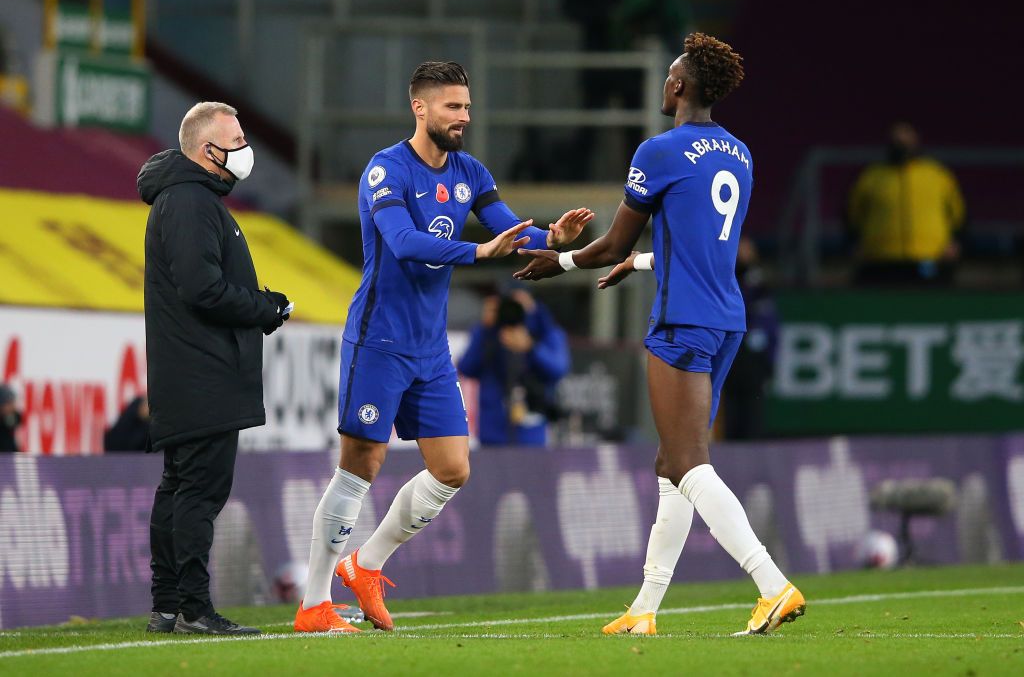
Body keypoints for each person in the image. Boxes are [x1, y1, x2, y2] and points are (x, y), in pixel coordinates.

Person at [514, 32, 805, 636]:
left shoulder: (659, 151)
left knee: (689, 463)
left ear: (678, 87)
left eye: (669, 74)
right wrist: (647, 263)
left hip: (681, 323)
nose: (664, 82)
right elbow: (707, 248)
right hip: (725, 318)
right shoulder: (740, 154)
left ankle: (772, 584)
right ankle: (645, 608)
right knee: (671, 466)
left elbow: (614, 241)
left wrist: (560, 261)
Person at [293, 61, 592, 634]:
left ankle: (366, 564)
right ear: (420, 108)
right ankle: (313, 604)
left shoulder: (470, 172)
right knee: (362, 465)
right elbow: (404, 244)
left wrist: (550, 238)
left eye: (468, 107)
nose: (464, 117)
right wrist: (480, 254)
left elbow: (507, 226)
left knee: (453, 468)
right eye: (453, 107)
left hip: (429, 349)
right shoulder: (386, 171)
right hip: (379, 339)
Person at [138, 101, 291, 635]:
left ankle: (168, 604)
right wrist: (265, 308)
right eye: (237, 138)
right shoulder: (190, 200)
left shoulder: (188, 198)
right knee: (198, 492)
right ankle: (194, 608)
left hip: (190, 370)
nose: (246, 148)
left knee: (180, 488)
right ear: (208, 150)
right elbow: (201, 288)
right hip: (202, 371)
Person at [847, 122, 965, 286]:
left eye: (906, 139)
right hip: (881, 260)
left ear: (916, 141)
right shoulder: (872, 177)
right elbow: (851, 215)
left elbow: (959, 214)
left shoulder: (936, 175)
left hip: (930, 258)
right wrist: (854, 244)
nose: (901, 145)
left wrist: (956, 242)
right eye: (896, 140)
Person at [457, 285, 570, 447]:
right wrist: (485, 330)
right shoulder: (488, 332)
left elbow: (558, 370)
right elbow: (467, 368)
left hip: (532, 431)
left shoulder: (546, 331)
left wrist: (531, 348)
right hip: (492, 432)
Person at [721, 236, 779, 440]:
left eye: (747, 248)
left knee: (752, 415)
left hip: (753, 359)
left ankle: (752, 460)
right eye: (739, 247)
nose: (743, 252)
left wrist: (770, 362)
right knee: (730, 415)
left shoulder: (760, 284)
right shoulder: (724, 278)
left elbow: (770, 326)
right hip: (730, 354)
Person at [0, 383, 20, 452]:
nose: (12, 406)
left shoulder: (15, 415)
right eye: (9, 403)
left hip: (10, 452)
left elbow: (14, 421)